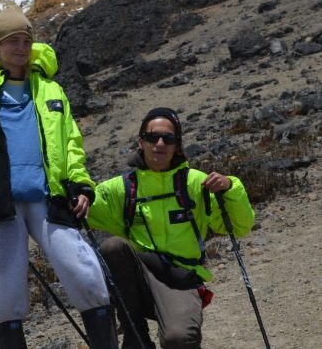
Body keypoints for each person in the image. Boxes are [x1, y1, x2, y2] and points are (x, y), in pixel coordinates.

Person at [0, 6, 117, 349]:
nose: (19, 48)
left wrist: (81, 185)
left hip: (48, 196)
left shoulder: (51, 91)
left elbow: (71, 145)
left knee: (82, 269)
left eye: (25, 41)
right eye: (11, 41)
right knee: (10, 285)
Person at [88, 107, 255, 349]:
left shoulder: (195, 183)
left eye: (168, 138)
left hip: (181, 279)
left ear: (177, 145)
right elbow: (87, 206)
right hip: (139, 279)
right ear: (140, 141)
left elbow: (240, 226)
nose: (159, 143)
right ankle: (135, 336)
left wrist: (231, 187)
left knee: (179, 340)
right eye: (151, 137)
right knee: (113, 247)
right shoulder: (120, 189)